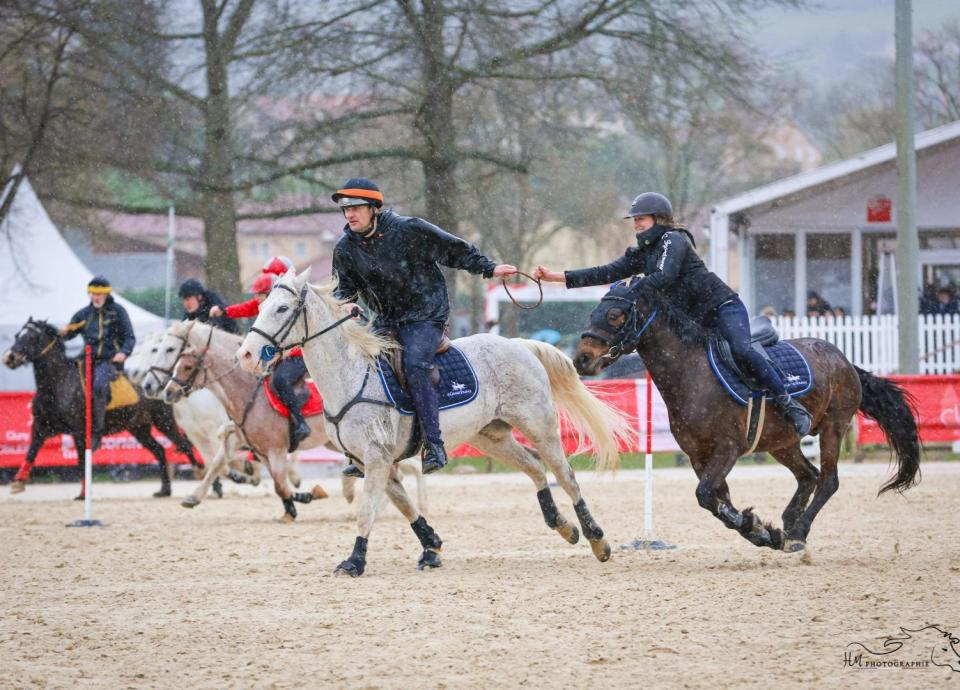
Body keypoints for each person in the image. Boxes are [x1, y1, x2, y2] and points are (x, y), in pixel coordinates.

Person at [533, 192, 813, 437]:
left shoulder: (672, 240)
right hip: (696, 320)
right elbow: (604, 272)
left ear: (659, 218)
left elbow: (664, 276)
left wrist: (633, 289)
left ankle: (789, 403)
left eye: (641, 218)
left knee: (741, 348)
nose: (636, 224)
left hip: (723, 307)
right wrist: (557, 277)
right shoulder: (641, 252)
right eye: (634, 219)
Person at [330, 177, 518, 474]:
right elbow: (342, 288)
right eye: (345, 210)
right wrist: (345, 303)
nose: (349, 214)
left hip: (426, 313)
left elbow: (454, 250)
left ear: (374, 209)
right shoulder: (344, 248)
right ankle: (362, 448)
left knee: (416, 365)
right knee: (357, 364)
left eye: (356, 208)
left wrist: (489, 268)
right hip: (385, 320)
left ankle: (434, 444)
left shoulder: (409, 229)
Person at [209, 272, 312, 452]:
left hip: (297, 356)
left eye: (259, 294)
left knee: (280, 380)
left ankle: (300, 423)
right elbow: (245, 308)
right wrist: (225, 311)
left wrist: (279, 355)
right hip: (282, 357)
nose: (256, 298)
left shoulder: (282, 308)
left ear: (269, 294)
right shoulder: (266, 305)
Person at [59, 276, 136, 450]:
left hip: (108, 361)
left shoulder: (118, 311)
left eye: (100, 294)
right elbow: (70, 333)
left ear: (107, 294)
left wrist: (124, 352)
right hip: (85, 359)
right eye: (93, 293)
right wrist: (63, 332)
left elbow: (130, 337)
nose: (96, 297)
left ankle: (97, 432)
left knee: (99, 386)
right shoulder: (83, 315)